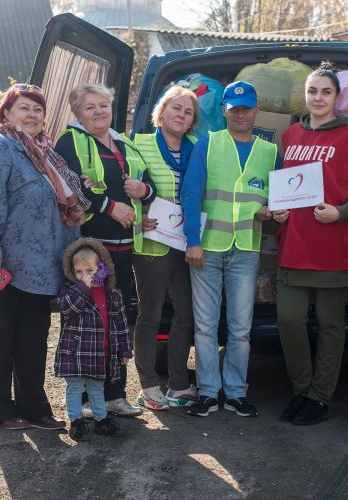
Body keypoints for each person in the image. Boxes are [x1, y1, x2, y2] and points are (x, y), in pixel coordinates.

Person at [0, 83, 88, 430]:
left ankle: (34, 408)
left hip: (41, 269)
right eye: (23, 108)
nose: (32, 115)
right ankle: (0, 411)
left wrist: (73, 261)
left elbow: (63, 209)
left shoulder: (47, 155)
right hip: (2, 266)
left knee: (32, 342)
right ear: (6, 114)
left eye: (37, 109)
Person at [274, 61, 348, 426]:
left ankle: (319, 397)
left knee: (331, 324)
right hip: (295, 245)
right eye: (313, 91)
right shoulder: (289, 136)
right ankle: (301, 388)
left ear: (336, 97)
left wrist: (343, 212)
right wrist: (278, 212)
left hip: (335, 246)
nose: (318, 97)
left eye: (325, 91)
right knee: (289, 319)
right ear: (306, 95)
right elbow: (281, 188)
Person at [55, 83, 156, 418]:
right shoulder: (70, 142)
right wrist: (111, 206)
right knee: (89, 322)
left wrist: (145, 191)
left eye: (103, 105)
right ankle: (86, 400)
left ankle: (115, 396)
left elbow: (147, 183)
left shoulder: (123, 140)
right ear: (77, 113)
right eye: (89, 107)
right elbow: (66, 186)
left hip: (125, 251)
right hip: (92, 253)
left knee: (117, 319)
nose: (98, 111)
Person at [181, 81, 278, 417]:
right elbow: (191, 194)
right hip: (207, 248)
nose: (240, 113)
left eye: (246, 108)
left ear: (256, 110)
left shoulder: (269, 151)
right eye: (234, 108)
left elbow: (275, 201)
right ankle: (208, 392)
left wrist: (271, 211)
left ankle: (236, 392)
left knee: (241, 328)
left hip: (247, 248)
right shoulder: (207, 143)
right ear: (224, 110)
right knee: (205, 326)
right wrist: (192, 240)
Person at [132, 86, 199, 410]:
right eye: (176, 108)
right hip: (153, 241)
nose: (181, 115)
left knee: (186, 314)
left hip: (187, 242)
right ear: (162, 111)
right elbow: (125, 183)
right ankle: (148, 385)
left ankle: (178, 384)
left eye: (188, 112)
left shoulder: (198, 147)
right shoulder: (139, 143)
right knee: (150, 314)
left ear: (192, 121)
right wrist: (138, 215)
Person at [56, 239, 132, 440]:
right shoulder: (71, 291)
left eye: (89, 271)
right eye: (78, 271)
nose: (84, 276)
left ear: (102, 268)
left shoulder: (112, 294)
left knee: (97, 388)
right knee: (75, 388)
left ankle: (101, 420)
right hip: (76, 352)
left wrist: (124, 350)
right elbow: (68, 309)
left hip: (99, 353)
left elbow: (121, 324)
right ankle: (77, 422)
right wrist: (84, 286)